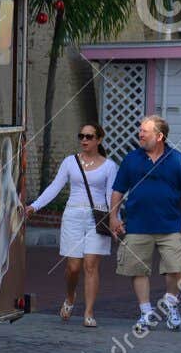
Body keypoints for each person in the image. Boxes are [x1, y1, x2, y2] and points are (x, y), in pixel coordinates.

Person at [109, 114, 181, 331]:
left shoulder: (177, 159)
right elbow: (118, 190)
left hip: (171, 225)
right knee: (137, 269)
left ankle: (170, 304)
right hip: (138, 224)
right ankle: (146, 312)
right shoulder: (131, 159)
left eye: (144, 131)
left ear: (159, 136)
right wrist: (113, 216)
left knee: (175, 268)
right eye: (140, 130)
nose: (140, 134)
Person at [23, 123, 115, 327]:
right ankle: (70, 297)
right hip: (73, 214)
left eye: (89, 137)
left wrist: (115, 218)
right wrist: (34, 206)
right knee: (73, 267)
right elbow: (55, 186)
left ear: (99, 139)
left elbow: (111, 196)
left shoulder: (109, 166)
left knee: (91, 265)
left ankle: (89, 312)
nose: (84, 140)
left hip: (97, 216)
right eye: (81, 136)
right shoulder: (70, 162)